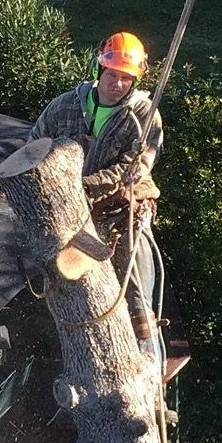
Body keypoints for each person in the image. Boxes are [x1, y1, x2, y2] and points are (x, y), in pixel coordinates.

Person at [30, 32, 165, 367]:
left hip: (120, 209)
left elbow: (133, 168)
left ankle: (149, 350)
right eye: (112, 75)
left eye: (125, 78)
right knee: (60, 280)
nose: (117, 84)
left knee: (134, 279)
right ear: (99, 70)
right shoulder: (65, 106)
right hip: (68, 209)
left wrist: (81, 187)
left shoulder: (144, 116)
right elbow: (34, 144)